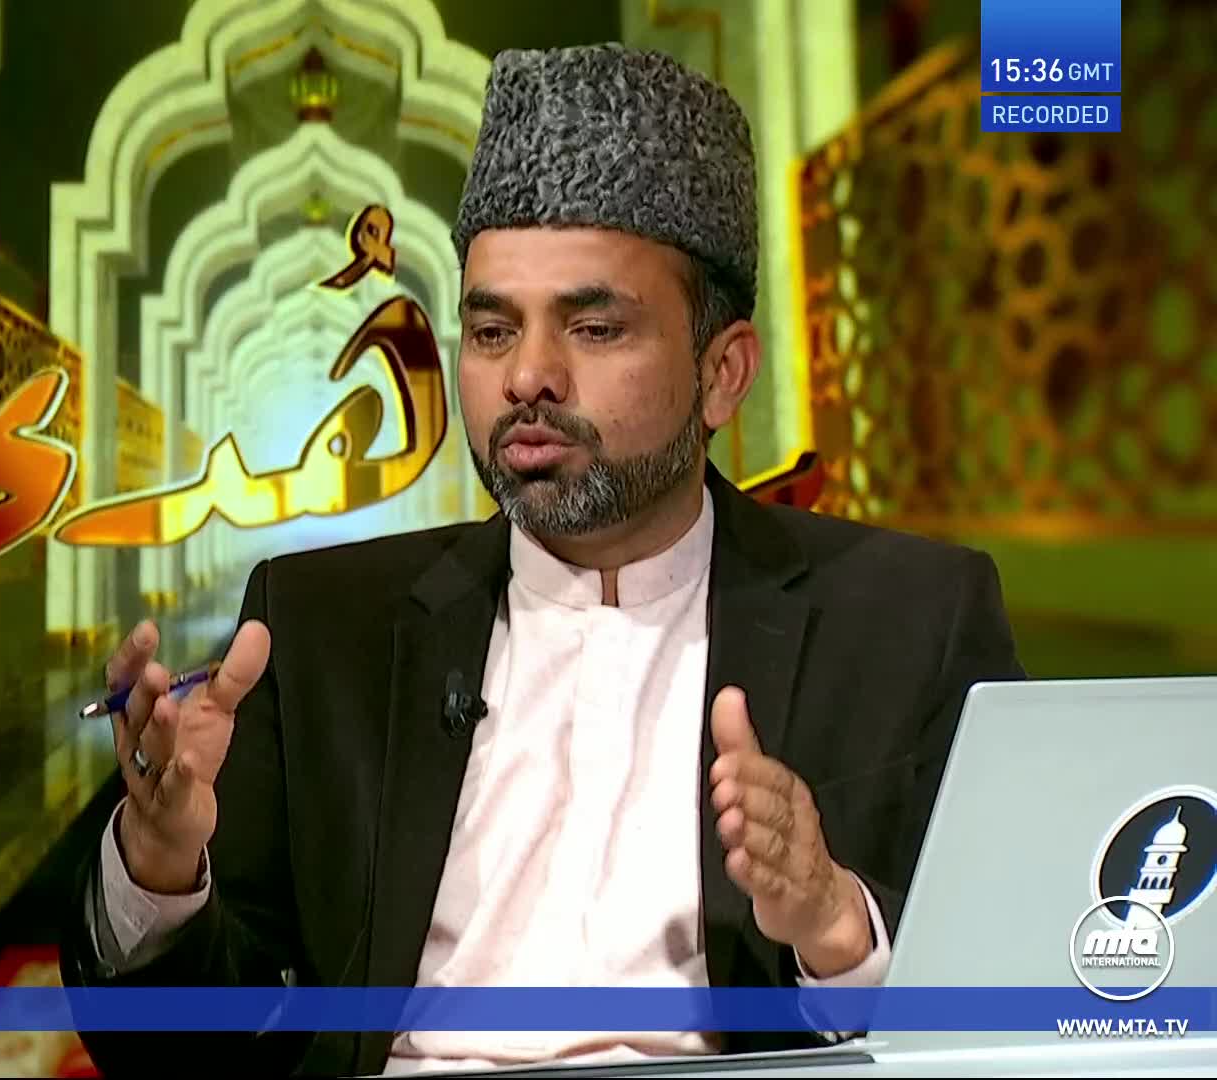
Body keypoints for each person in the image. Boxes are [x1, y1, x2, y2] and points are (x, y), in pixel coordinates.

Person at [60, 44, 1023, 1077]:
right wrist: (159, 871)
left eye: (595, 326)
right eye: (489, 329)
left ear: (725, 373)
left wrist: (838, 928)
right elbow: (180, 1054)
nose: (527, 376)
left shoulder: (907, 617)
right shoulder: (318, 621)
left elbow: (1039, 992)